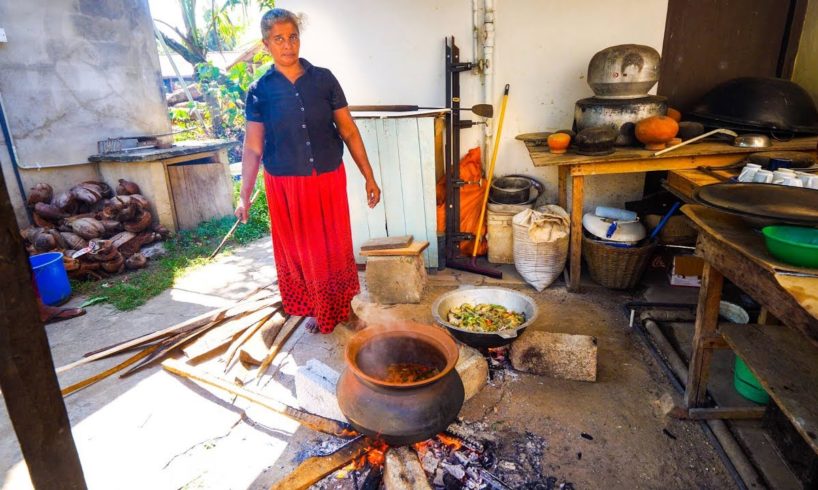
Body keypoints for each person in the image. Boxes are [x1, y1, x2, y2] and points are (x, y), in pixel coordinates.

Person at [235, 8, 381, 334]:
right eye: (278, 39)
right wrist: (244, 195)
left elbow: (349, 130)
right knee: (303, 253)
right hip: (287, 187)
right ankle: (317, 308)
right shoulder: (260, 91)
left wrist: (369, 176)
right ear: (266, 45)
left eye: (293, 37)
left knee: (334, 249)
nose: (288, 45)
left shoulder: (324, 79)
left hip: (327, 179)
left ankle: (343, 310)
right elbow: (253, 147)